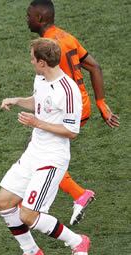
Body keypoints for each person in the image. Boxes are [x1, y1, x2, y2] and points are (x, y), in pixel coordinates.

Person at [0, 38, 91, 255]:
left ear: (41, 62)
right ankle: (31, 253)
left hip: (52, 158)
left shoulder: (68, 91)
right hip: (34, 152)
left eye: (32, 58)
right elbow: (39, 101)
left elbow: (71, 131)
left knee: (29, 215)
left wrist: (38, 123)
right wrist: (18, 101)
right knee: (4, 202)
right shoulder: (40, 78)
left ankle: (78, 242)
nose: (30, 61)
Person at [26, 0, 120, 225]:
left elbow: (48, 82)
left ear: (39, 18)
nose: (26, 18)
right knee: (42, 150)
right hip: (82, 103)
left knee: (42, 155)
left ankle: (79, 195)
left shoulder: (46, 47)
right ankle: (75, 194)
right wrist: (101, 102)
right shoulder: (66, 37)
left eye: (28, 14)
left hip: (67, 107)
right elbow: (94, 67)